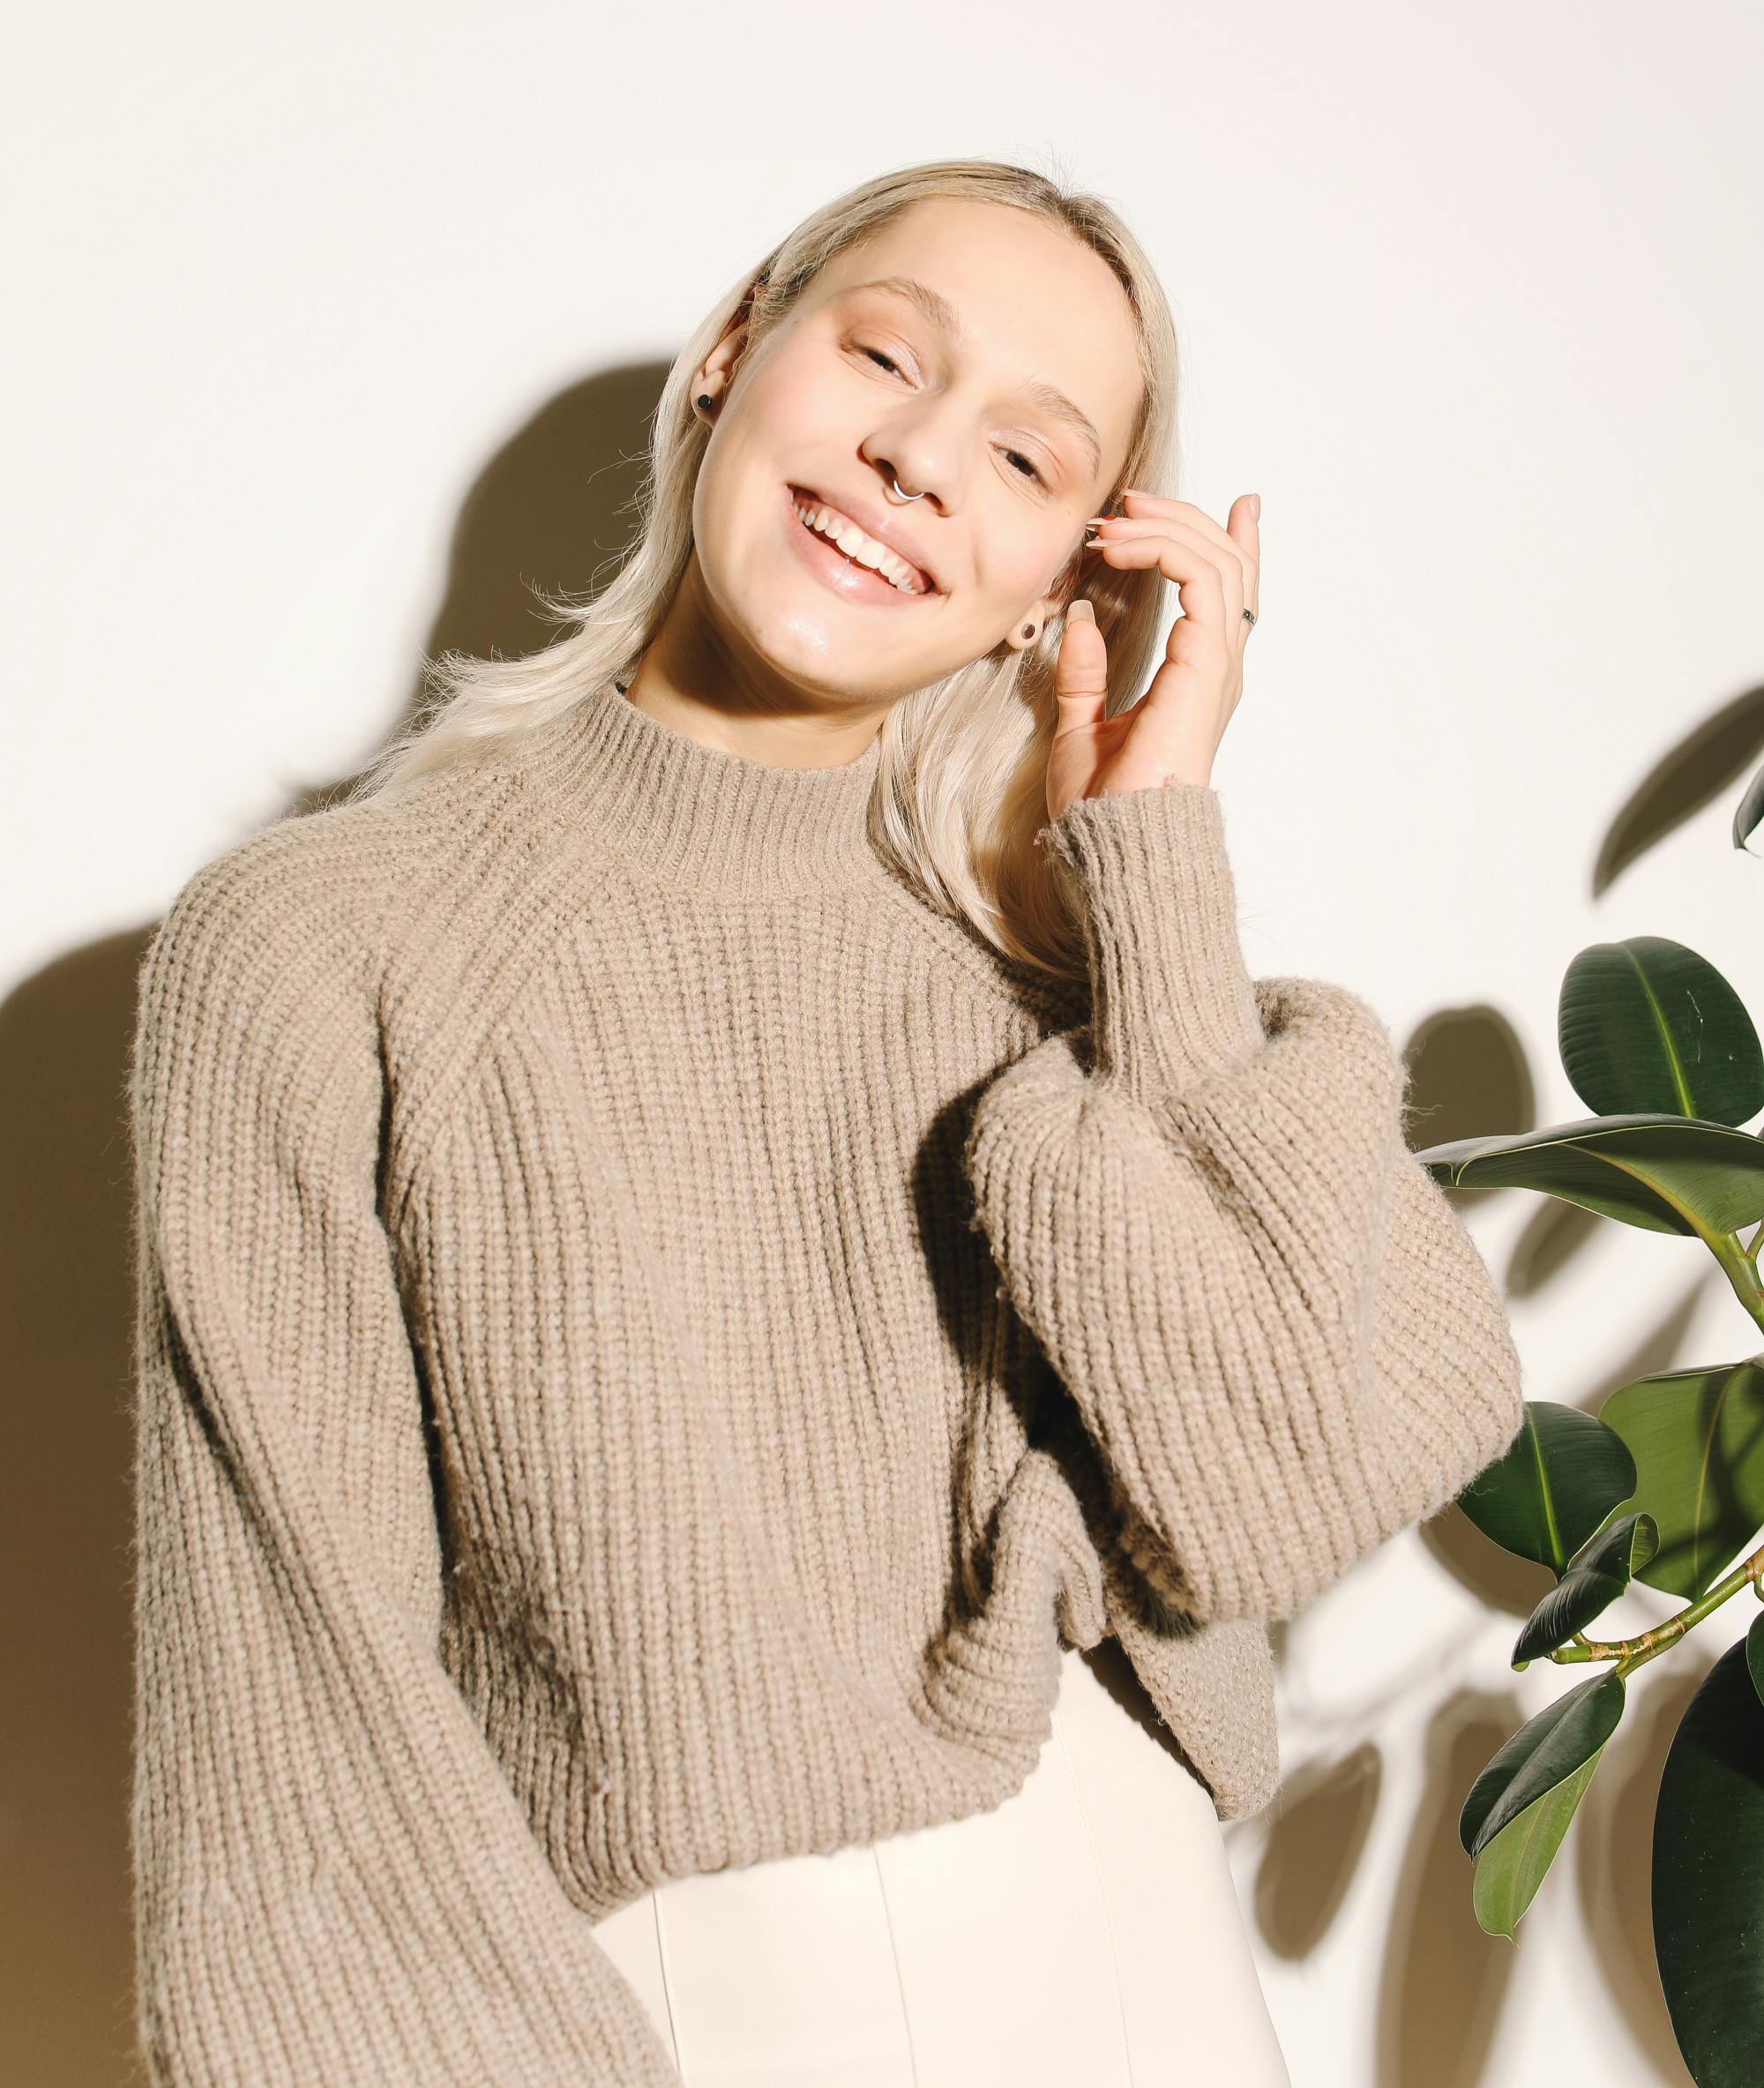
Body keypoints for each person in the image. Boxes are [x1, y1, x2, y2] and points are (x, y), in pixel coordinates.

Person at [127, 158, 1526, 2086]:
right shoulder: (317, 946)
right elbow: (296, 1717)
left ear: (1069, 583)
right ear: (730, 352)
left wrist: (1146, 860)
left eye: (1029, 461)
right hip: (682, 2005)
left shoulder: (1054, 972)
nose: (919, 460)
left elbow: (1278, 1484)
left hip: (1133, 1961)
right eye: (884, 354)